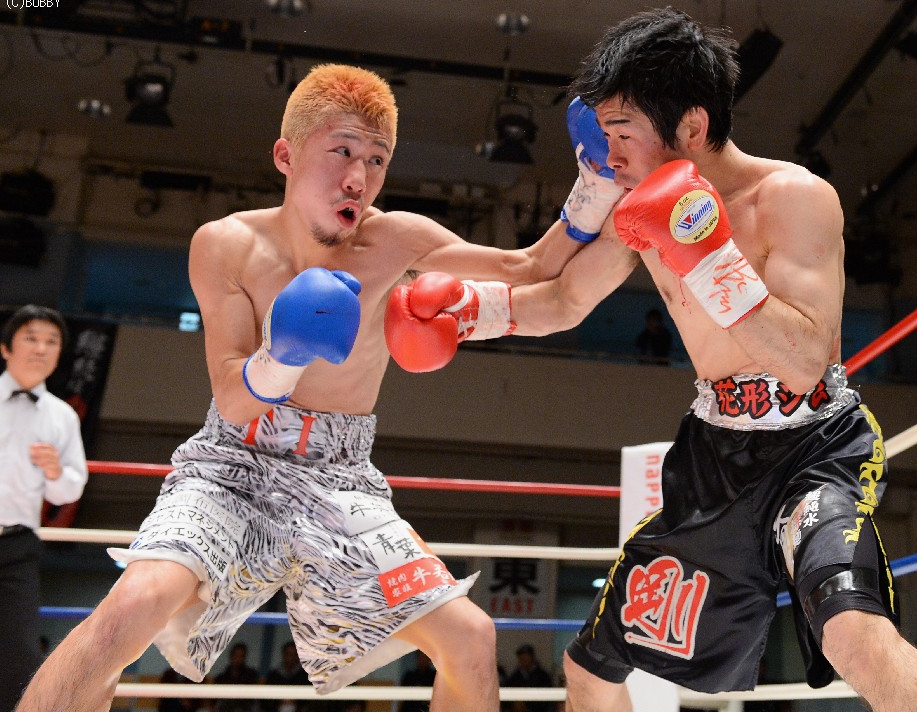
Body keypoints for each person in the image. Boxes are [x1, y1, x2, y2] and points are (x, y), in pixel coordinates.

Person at [383, 8, 917, 712]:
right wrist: (466, 314)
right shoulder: (638, 212)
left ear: (690, 125)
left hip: (813, 447)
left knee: (852, 635)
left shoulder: (794, 197)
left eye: (622, 132)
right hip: (713, 459)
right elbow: (563, 298)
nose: (610, 154)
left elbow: (806, 360)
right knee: (590, 669)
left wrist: (707, 256)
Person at [15, 62, 624, 712]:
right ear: (286, 155)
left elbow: (531, 267)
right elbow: (234, 398)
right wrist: (283, 354)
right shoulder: (226, 245)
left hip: (341, 477)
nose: (359, 177)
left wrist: (599, 181)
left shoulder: (396, 239)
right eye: (342, 151)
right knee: (130, 607)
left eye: (377, 159)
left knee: (470, 637)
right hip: (233, 466)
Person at [0, 304, 88, 712]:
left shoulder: (62, 415)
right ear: (6, 347)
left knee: (18, 655)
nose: (41, 348)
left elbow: (70, 489)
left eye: (51, 341)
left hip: (16, 546)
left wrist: (54, 471)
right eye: (31, 338)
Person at [504, 644, 553, 712]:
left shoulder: (543, 676)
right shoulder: (515, 677)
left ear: (532, 657)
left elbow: (547, 699)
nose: (524, 660)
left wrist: (530, 708)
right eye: (521, 658)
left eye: (526, 657)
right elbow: (507, 696)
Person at [213, 642, 260, 712]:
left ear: (244, 658)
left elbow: (251, 698)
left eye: (241, 656)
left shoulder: (251, 675)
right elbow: (216, 700)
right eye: (236, 655)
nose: (238, 659)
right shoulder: (222, 677)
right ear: (231, 656)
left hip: (245, 708)